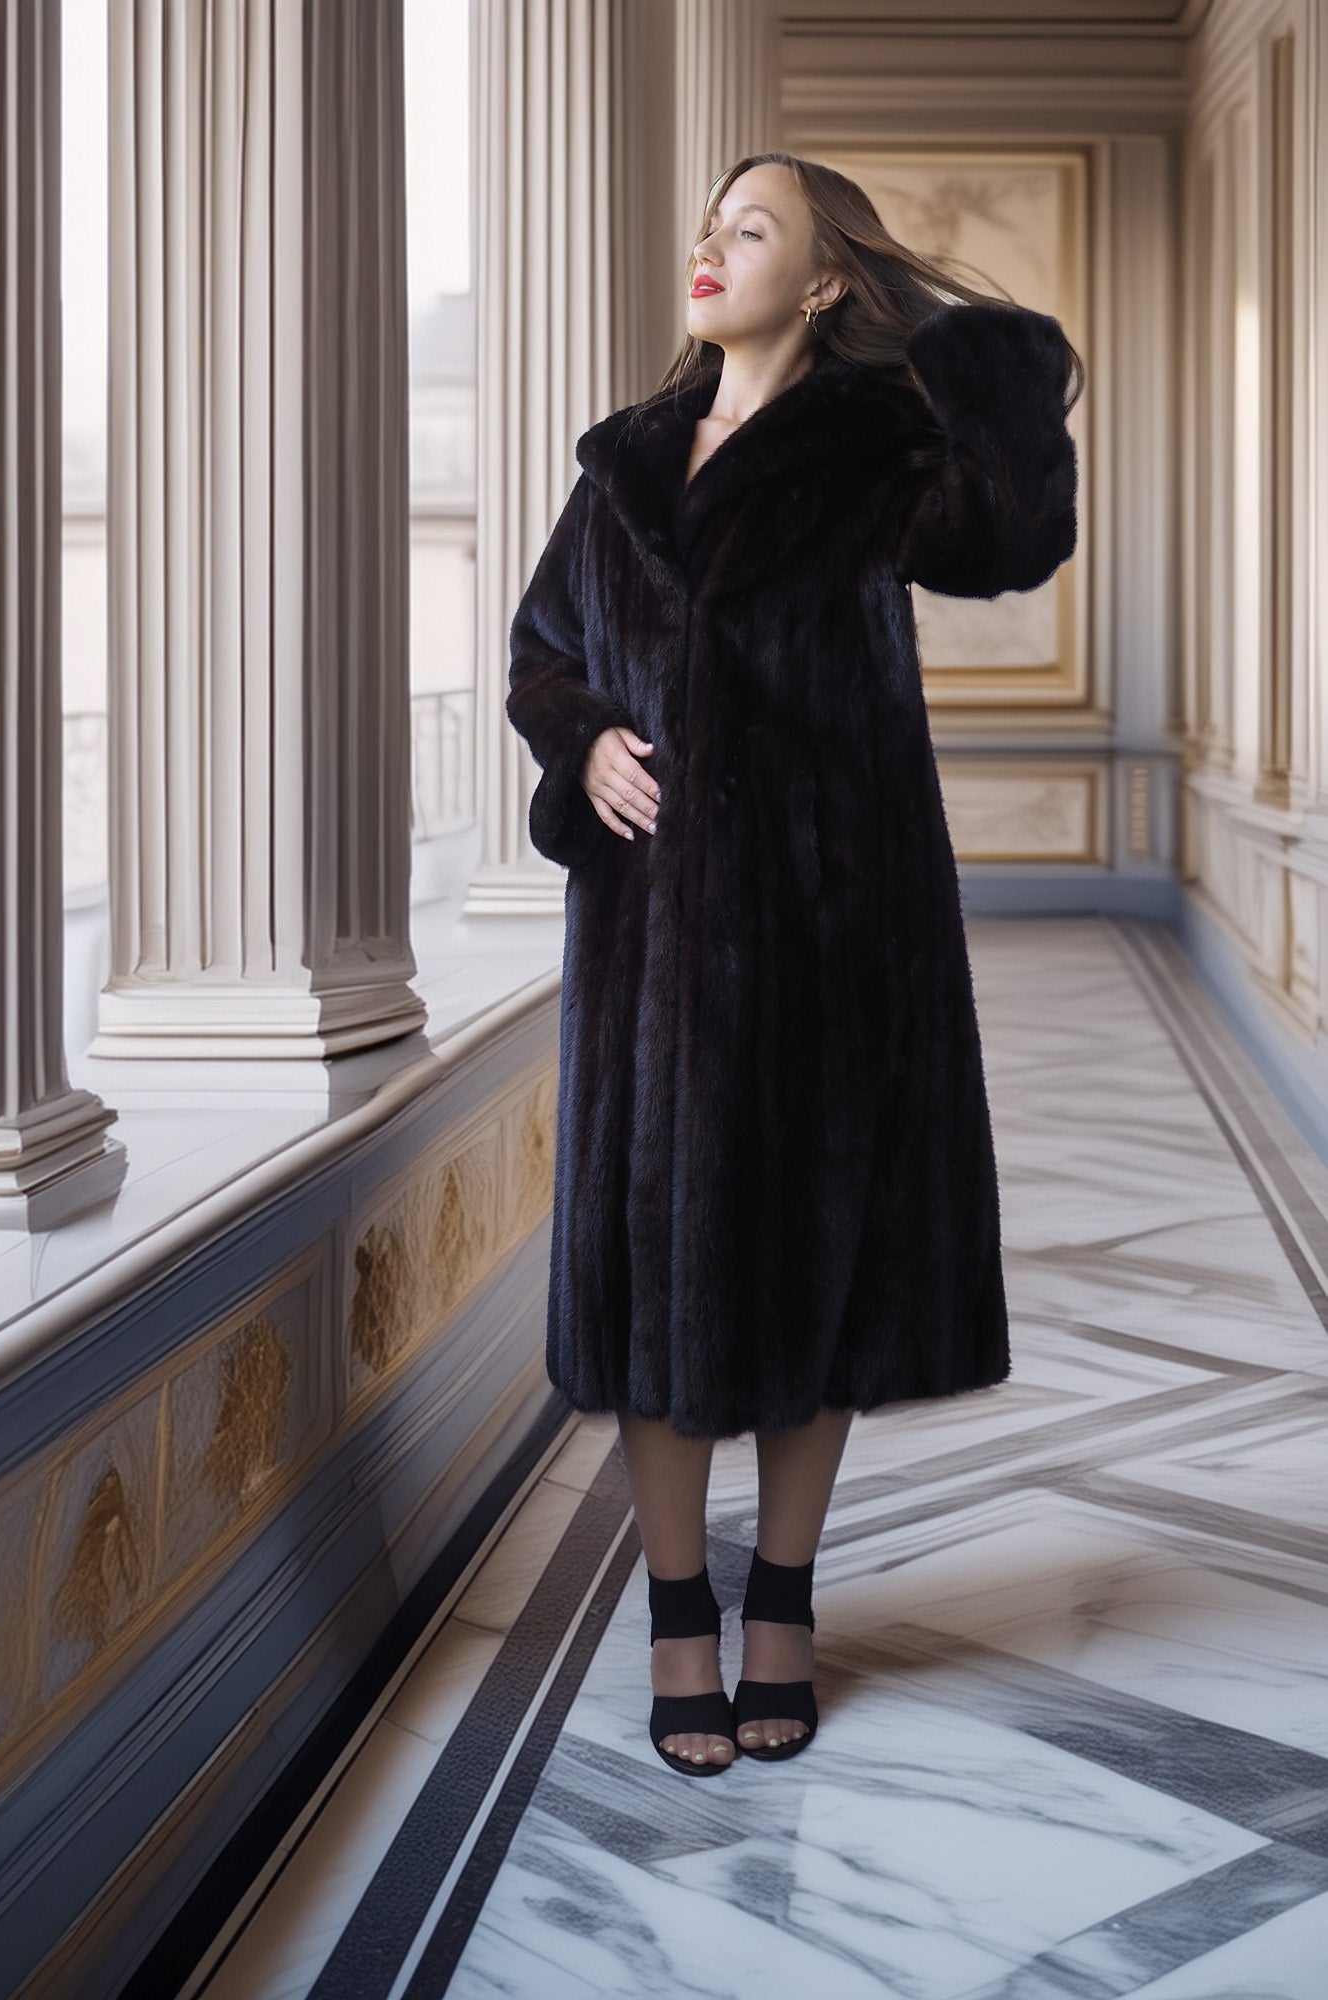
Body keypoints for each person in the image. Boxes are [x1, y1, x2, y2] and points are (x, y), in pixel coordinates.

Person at [506, 152, 1083, 1775]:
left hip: (836, 917)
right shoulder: (622, 463)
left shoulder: (875, 449)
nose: (708, 245)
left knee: (813, 1257)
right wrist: (587, 745)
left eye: (748, 228)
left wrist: (1002, 367)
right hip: (649, 932)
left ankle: (784, 1603)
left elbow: (1006, 545)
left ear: (825, 278)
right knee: (654, 1277)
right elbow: (543, 653)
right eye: (707, 223)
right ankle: (676, 1609)